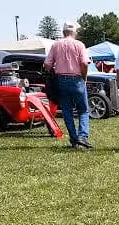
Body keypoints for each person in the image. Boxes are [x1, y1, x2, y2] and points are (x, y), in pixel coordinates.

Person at [44, 21, 92, 149]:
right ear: (75, 32)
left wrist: (54, 72)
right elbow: (85, 63)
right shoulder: (80, 45)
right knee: (83, 109)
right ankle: (83, 136)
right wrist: (84, 78)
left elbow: (47, 65)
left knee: (67, 111)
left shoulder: (56, 45)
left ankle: (74, 139)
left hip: (61, 80)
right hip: (77, 79)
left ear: (63, 32)